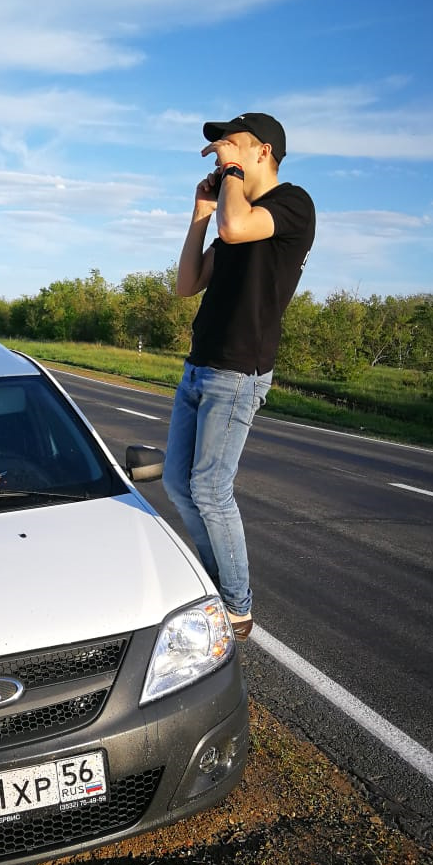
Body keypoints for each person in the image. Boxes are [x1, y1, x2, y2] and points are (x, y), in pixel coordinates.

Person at [162, 113, 315, 640]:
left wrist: (227, 182)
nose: (221, 151)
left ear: (262, 152)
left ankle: (237, 606)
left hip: (238, 372)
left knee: (209, 487)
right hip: (199, 364)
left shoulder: (292, 204)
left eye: (230, 144)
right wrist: (199, 214)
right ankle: (219, 581)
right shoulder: (231, 214)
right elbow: (187, 284)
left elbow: (239, 226)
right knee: (177, 484)